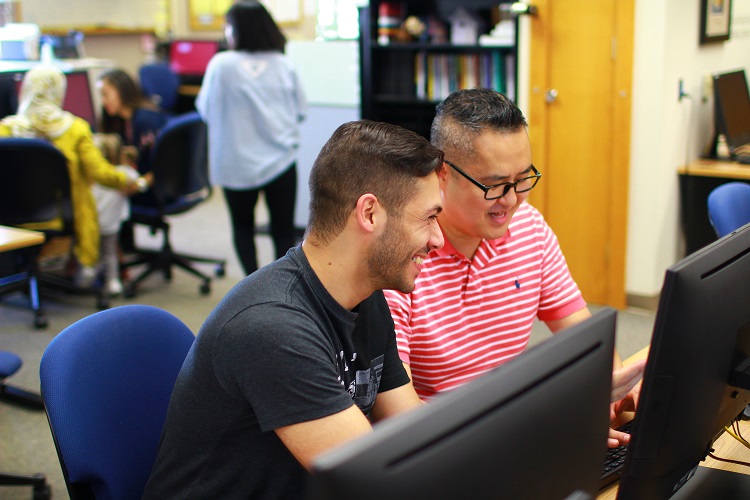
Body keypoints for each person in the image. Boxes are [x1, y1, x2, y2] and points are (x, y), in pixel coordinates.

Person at [143, 120, 444, 498]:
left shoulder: (365, 297)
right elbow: (369, 484)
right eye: (429, 217)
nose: (438, 238)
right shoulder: (272, 328)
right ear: (369, 214)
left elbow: (412, 431)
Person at [383, 88, 644, 448]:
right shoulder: (401, 256)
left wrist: (613, 387)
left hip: (515, 432)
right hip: (446, 451)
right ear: (442, 172)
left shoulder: (529, 229)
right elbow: (399, 418)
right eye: (493, 185)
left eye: (523, 179)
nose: (511, 200)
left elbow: (588, 340)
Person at [0, 65, 147, 285]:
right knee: (110, 197)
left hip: (10, 215)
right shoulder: (75, 129)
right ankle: (98, 270)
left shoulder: (6, 130)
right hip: (61, 214)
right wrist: (129, 178)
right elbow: (100, 173)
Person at [195, 0, 307, 275]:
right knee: (283, 231)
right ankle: (285, 291)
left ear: (236, 30)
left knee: (242, 226)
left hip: (236, 164)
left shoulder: (221, 65)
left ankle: (252, 287)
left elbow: (205, 109)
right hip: (280, 161)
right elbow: (301, 112)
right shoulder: (284, 64)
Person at [91, 134, 140, 295]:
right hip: (110, 224)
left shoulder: (93, 177)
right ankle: (112, 281)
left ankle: (92, 275)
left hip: (92, 224)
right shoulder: (123, 174)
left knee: (95, 251)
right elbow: (138, 184)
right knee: (110, 251)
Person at [97, 67, 168, 175]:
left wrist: (140, 184)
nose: (103, 101)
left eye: (105, 94)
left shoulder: (146, 120)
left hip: (153, 185)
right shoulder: (122, 121)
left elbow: (164, 165)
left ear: (121, 90)